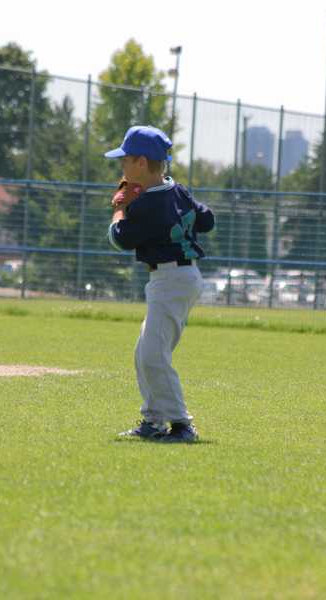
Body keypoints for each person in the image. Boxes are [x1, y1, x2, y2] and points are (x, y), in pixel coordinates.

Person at [105, 125, 215, 443]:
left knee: (153, 355)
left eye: (125, 160)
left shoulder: (147, 204)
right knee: (145, 352)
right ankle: (153, 421)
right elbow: (207, 220)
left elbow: (120, 239)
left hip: (171, 280)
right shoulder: (175, 190)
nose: (122, 166)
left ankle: (181, 425)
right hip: (180, 278)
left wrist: (120, 209)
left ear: (141, 162)